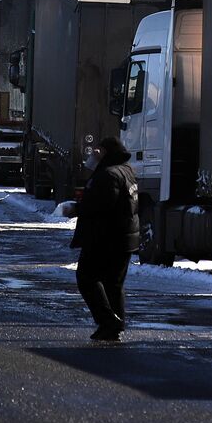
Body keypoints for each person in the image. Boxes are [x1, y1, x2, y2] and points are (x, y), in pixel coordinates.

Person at [71, 135, 140, 341]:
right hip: (124, 238)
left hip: (105, 238)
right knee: (114, 284)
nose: (93, 154)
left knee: (86, 278)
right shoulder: (127, 171)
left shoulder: (108, 175)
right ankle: (114, 327)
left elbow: (100, 207)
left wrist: (75, 209)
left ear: (105, 153)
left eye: (97, 151)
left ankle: (108, 320)